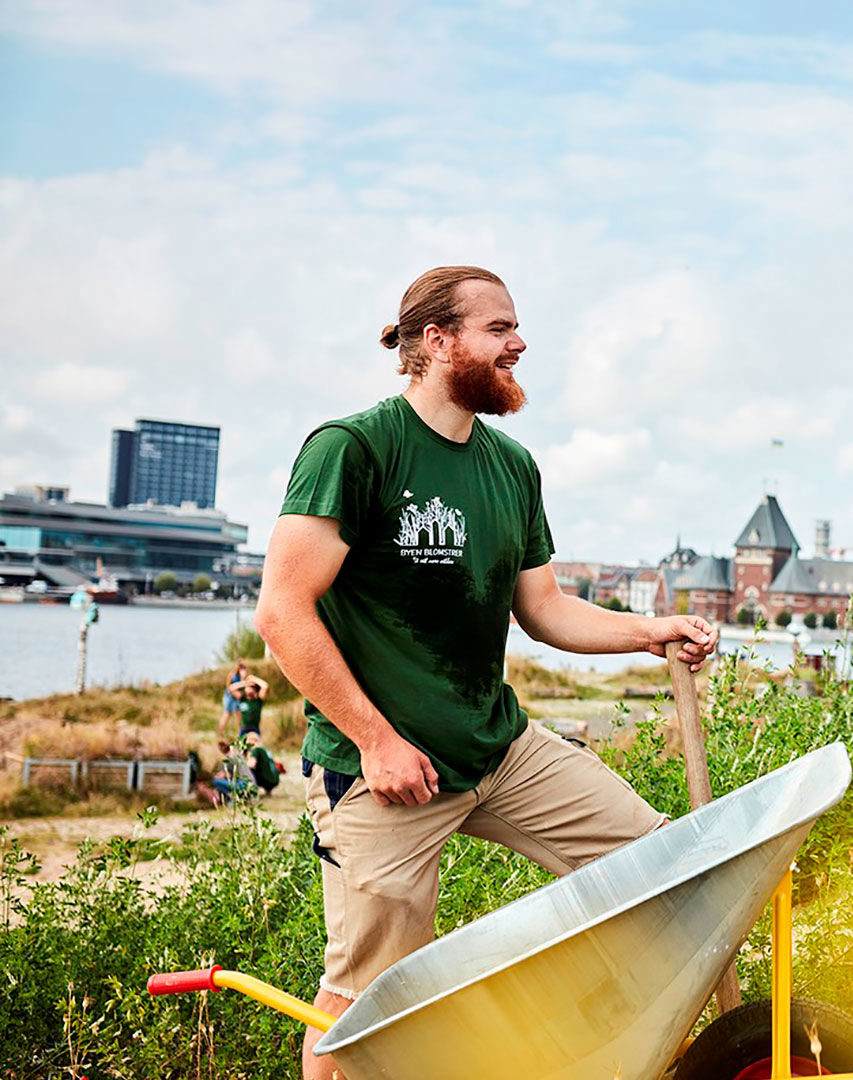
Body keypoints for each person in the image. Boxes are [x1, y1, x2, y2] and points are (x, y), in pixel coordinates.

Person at [255, 265, 718, 1080]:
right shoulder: (354, 449)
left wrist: (650, 632)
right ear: (437, 341)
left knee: (668, 868)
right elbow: (283, 614)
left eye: (516, 328)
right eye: (500, 329)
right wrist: (377, 742)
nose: (520, 343)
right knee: (364, 1000)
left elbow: (544, 608)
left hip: (498, 748)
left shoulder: (512, 466)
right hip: (382, 773)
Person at [243, 731, 282, 796]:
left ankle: (250, 791)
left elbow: (251, 764)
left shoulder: (255, 750)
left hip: (265, 780)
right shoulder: (266, 751)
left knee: (248, 769)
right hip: (275, 780)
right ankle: (268, 791)